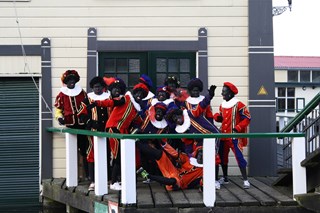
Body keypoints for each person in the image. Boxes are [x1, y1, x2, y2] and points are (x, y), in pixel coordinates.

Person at [95, 79, 149, 190]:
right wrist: (98, 103)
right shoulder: (126, 98)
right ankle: (113, 182)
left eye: (142, 94)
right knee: (118, 156)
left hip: (122, 131)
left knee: (121, 156)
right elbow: (113, 102)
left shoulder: (136, 109)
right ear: (133, 93)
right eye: (137, 93)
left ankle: (118, 180)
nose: (139, 95)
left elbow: (139, 122)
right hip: (114, 128)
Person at [213, 82, 251, 189]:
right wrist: (217, 117)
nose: (222, 94)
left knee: (239, 157)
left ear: (230, 93)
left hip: (234, 137)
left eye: (224, 92)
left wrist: (238, 127)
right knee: (223, 158)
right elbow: (221, 116)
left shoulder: (239, 104)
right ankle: (225, 178)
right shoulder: (222, 105)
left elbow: (247, 118)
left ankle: (245, 180)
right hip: (223, 137)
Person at [54, 70, 89, 181]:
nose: (71, 82)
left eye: (73, 80)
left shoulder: (82, 93)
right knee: (72, 151)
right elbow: (58, 110)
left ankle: (87, 175)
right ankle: (74, 177)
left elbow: (87, 107)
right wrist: (60, 118)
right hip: (70, 127)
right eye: (69, 80)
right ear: (66, 82)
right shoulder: (61, 95)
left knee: (85, 151)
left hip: (83, 126)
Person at [77, 76, 110, 191]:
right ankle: (93, 180)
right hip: (93, 131)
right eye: (95, 87)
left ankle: (106, 179)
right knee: (92, 155)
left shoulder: (108, 97)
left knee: (106, 154)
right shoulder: (88, 98)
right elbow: (81, 113)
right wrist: (89, 122)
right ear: (92, 88)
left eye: (99, 87)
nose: (97, 89)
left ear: (103, 87)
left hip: (107, 131)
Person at [136, 140, 205, 191]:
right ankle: (136, 142)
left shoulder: (204, 171)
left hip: (180, 182)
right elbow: (176, 155)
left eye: (202, 155)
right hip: (174, 171)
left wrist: (202, 187)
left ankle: (147, 176)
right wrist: (164, 144)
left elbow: (202, 183)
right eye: (199, 153)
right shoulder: (190, 159)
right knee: (160, 154)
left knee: (173, 181)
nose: (200, 156)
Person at [138, 102, 169, 177]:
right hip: (138, 142)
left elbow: (162, 140)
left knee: (155, 156)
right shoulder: (146, 117)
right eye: (157, 110)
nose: (159, 113)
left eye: (161, 111)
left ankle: (150, 176)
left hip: (151, 145)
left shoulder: (164, 126)